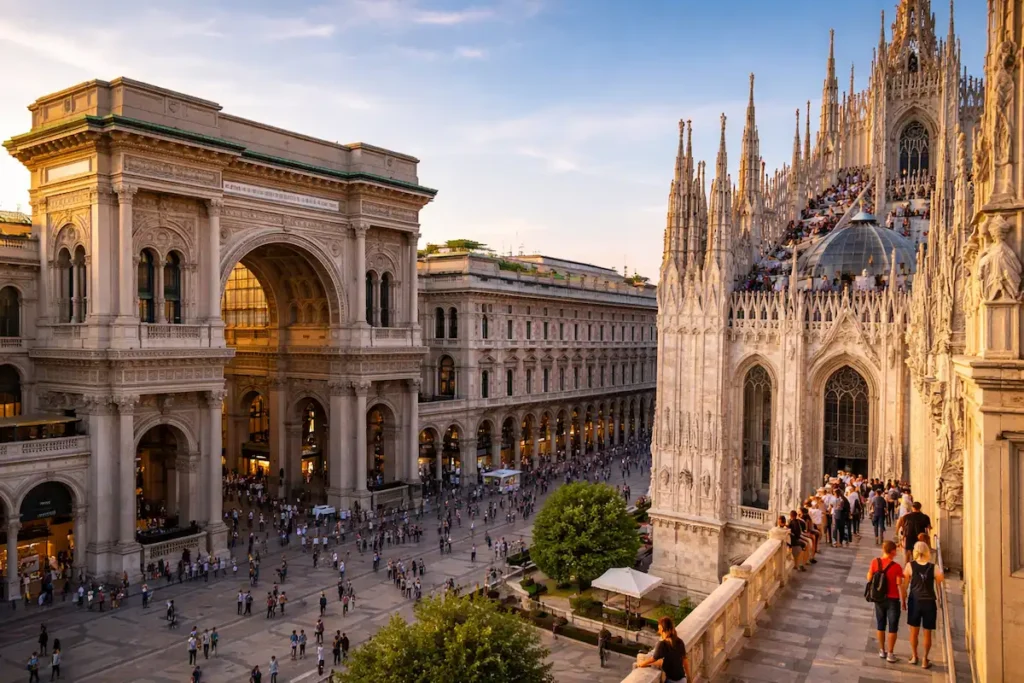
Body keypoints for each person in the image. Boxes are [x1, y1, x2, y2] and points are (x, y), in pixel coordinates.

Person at [905, 540, 943, 669]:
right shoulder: (934, 567)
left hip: (915, 601)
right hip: (929, 602)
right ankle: (925, 659)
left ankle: (914, 656)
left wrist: (903, 599)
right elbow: (940, 581)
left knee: (913, 631)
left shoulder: (910, 566)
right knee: (927, 633)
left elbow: (905, 585)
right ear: (927, 552)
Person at [867, 540, 906, 663]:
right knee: (893, 626)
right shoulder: (897, 567)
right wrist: (903, 601)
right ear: (892, 551)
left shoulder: (875, 562)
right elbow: (900, 585)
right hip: (893, 600)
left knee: (880, 624)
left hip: (879, 599)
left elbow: (869, 577)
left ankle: (882, 650)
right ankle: (890, 653)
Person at [637, 616, 690, 682]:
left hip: (671, 681)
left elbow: (653, 659)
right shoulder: (679, 641)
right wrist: (689, 677)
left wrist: (642, 663)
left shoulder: (662, 644)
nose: (658, 631)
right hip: (683, 680)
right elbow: (684, 660)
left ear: (662, 629)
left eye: (659, 629)